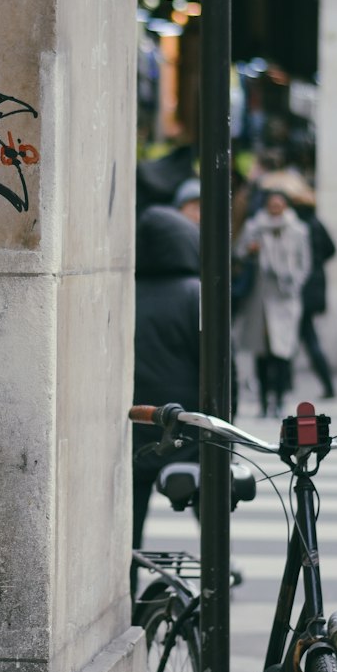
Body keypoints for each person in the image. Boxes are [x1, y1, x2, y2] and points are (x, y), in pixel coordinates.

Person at [131, 205, 201, 577]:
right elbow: (223, 367)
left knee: (129, 528)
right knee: (210, 516)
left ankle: (127, 593)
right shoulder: (196, 294)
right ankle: (216, 578)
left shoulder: (127, 291)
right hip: (188, 425)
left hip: (136, 424)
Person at [235, 191, 311, 417]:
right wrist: (250, 250)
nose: (276, 207)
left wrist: (294, 283)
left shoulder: (298, 230)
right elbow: (237, 253)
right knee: (261, 352)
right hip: (259, 298)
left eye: (280, 204)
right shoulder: (254, 227)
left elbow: (304, 263)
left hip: (285, 299)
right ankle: (262, 401)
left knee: (283, 351)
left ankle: (279, 399)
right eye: (272, 204)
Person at [295, 199, 337, 399]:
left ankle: (327, 383)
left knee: (305, 337)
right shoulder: (315, 222)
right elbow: (331, 249)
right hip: (315, 286)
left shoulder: (298, 225)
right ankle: (327, 383)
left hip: (302, 288)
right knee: (306, 336)